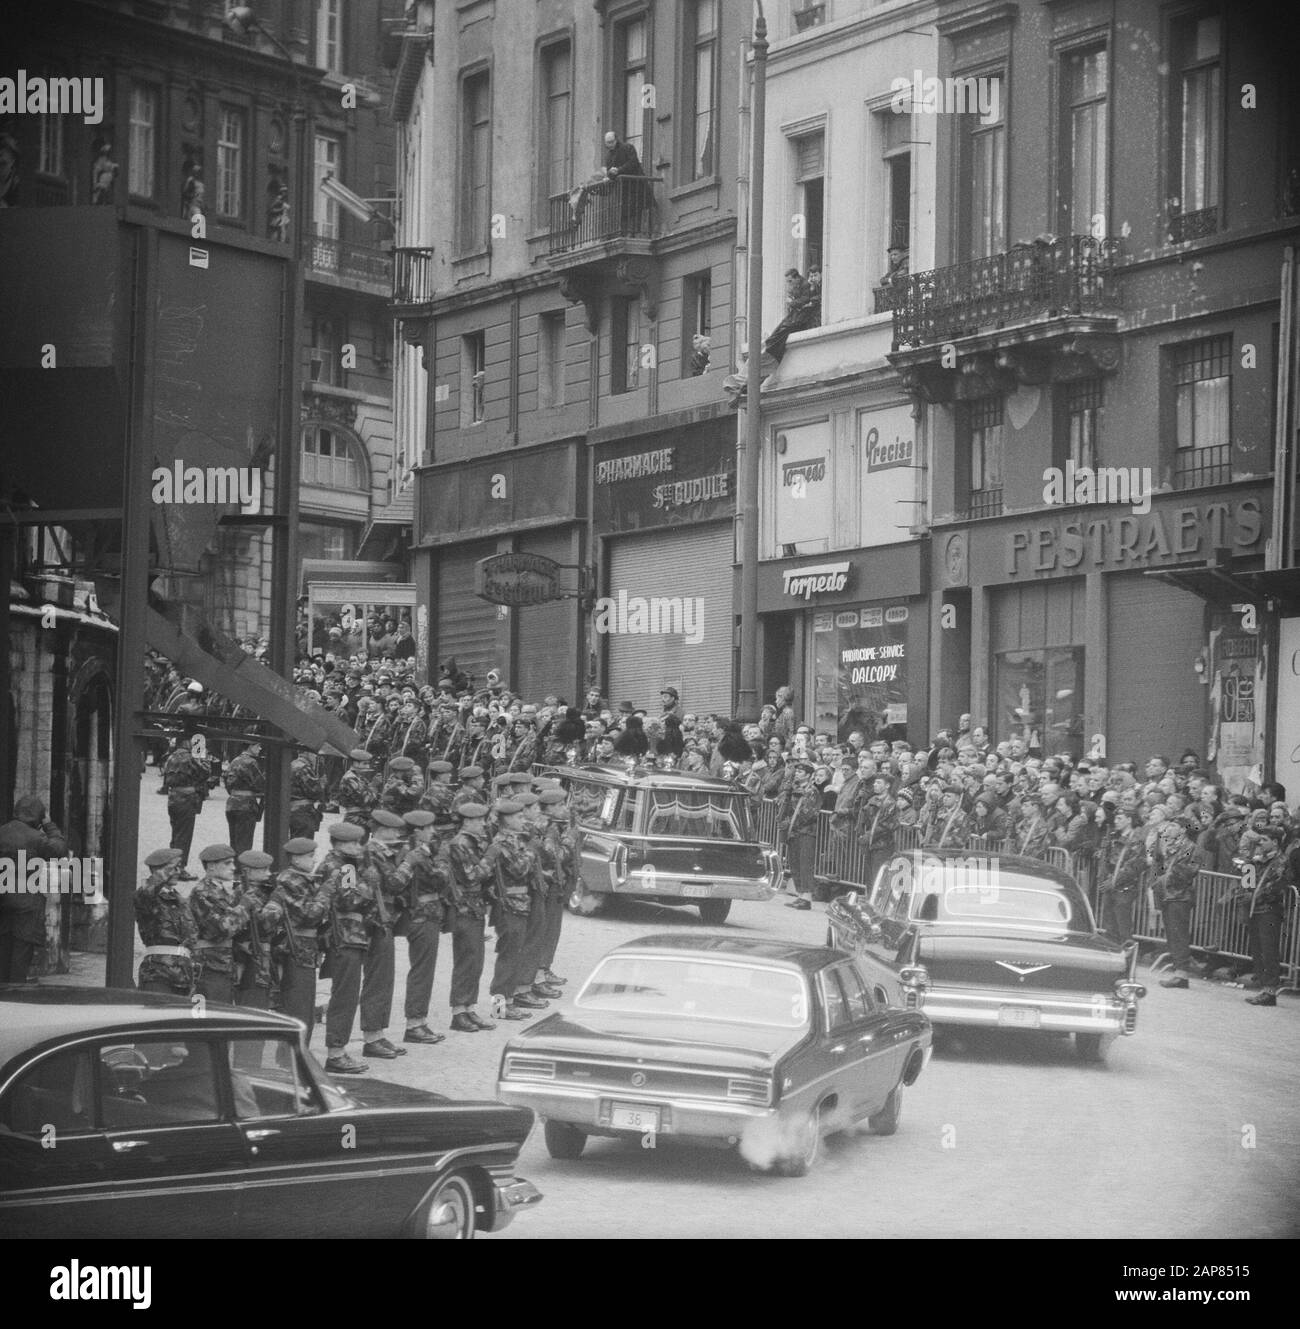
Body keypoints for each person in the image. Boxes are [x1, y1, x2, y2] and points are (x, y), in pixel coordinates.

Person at [319, 822, 378, 1074]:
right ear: (341, 844)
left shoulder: (345, 864)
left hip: (349, 936)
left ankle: (338, 1049)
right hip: (345, 936)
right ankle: (336, 1053)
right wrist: (368, 884)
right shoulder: (344, 867)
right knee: (345, 996)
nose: (359, 846)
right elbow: (349, 899)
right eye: (354, 843)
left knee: (346, 994)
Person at [393, 809, 449, 1045]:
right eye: (429, 828)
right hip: (421, 916)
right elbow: (439, 878)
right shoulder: (413, 854)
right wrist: (443, 862)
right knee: (422, 971)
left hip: (426, 915)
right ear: (417, 831)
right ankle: (414, 1023)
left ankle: (419, 1022)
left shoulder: (419, 852)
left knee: (424, 970)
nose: (433, 832)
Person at [0, 795, 68, 982]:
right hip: (27, 907)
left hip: (3, 903)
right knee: (20, 959)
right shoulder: (38, 838)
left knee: (3, 954)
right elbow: (59, 848)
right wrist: (49, 825)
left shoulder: (2, 832)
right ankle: (15, 999)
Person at [358, 809, 406, 1060]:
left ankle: (377, 1033)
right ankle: (370, 1037)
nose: (397, 834)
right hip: (374, 921)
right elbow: (394, 883)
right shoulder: (373, 852)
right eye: (394, 830)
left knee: (384, 978)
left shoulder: (381, 851)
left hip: (384, 918)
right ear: (381, 830)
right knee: (377, 978)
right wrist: (409, 864)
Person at [485, 800, 540, 1019]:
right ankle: (498, 1008)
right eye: (518, 817)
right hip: (508, 906)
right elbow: (518, 869)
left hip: (519, 904)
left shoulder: (515, 841)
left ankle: (508, 1002)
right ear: (507, 820)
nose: (522, 820)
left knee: (514, 954)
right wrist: (531, 853)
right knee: (507, 957)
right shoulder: (502, 843)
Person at [445, 802, 497, 1032]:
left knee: (475, 960)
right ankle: (458, 1011)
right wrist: (489, 859)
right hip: (464, 906)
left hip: (474, 906)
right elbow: (471, 876)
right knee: (466, 959)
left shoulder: (472, 842)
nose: (483, 824)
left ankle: (469, 1007)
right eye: (479, 820)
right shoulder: (460, 844)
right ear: (467, 822)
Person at [271, 837, 329, 1040]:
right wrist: (325, 894)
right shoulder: (289, 881)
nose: (314, 861)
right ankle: (293, 1056)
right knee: (299, 1007)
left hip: (305, 949)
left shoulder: (302, 880)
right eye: (310, 856)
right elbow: (309, 914)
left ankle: (297, 1053)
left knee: (304, 1006)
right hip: (295, 949)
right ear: (296, 859)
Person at [134, 846, 196, 995]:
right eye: (173, 868)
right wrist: (163, 873)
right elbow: (146, 892)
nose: (178, 872)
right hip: (157, 973)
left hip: (184, 974)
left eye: (178, 868)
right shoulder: (147, 897)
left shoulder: (181, 900)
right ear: (158, 871)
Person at [189, 844, 245, 1004]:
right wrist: (244, 907)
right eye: (227, 863)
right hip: (208, 966)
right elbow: (221, 929)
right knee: (206, 1020)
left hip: (223, 964)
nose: (233, 868)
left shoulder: (223, 893)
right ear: (211, 867)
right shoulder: (202, 892)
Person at [1241, 827, 1289, 1007]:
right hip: (1255, 909)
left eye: (1263, 840)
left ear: (1275, 842)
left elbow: (1276, 887)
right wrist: (1249, 863)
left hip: (1269, 910)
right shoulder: (1257, 860)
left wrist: (1253, 895)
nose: (1259, 843)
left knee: (1269, 951)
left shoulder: (1281, 860)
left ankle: (1270, 990)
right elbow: (1247, 882)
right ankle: (1263, 987)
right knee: (1257, 949)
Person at [1154, 819, 1203, 990]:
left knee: (1179, 935)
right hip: (1168, 894)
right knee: (1172, 934)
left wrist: (1167, 875)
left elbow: (1189, 871)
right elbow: (1157, 862)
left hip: (1180, 895)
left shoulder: (1191, 848)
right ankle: (1177, 971)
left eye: (1173, 826)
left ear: (1182, 830)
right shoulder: (1169, 845)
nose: (1168, 829)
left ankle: (1182, 974)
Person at [233, 850, 283, 1010]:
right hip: (251, 958)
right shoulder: (246, 893)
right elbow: (263, 925)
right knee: (253, 1006)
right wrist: (275, 904)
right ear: (248, 872)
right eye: (263, 870)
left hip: (263, 957)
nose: (268, 874)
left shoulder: (262, 892)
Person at [162, 737, 209, 877]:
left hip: (173, 799)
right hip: (186, 799)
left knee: (176, 835)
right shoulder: (190, 758)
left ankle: (172, 865)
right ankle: (179, 868)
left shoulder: (171, 756)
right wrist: (202, 756)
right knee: (184, 836)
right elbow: (205, 772)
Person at [223, 742, 265, 855]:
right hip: (246, 806)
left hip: (232, 804)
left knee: (234, 842)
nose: (260, 748)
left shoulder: (234, 761)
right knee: (244, 844)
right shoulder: (251, 762)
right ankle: (242, 871)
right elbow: (261, 784)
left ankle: (235, 869)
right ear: (250, 746)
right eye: (258, 746)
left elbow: (227, 783)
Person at [289, 750, 325, 839]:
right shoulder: (304, 768)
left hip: (292, 810)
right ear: (307, 753)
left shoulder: (292, 764)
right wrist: (321, 784)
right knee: (303, 845)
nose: (315, 757)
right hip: (303, 812)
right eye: (314, 754)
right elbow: (315, 792)